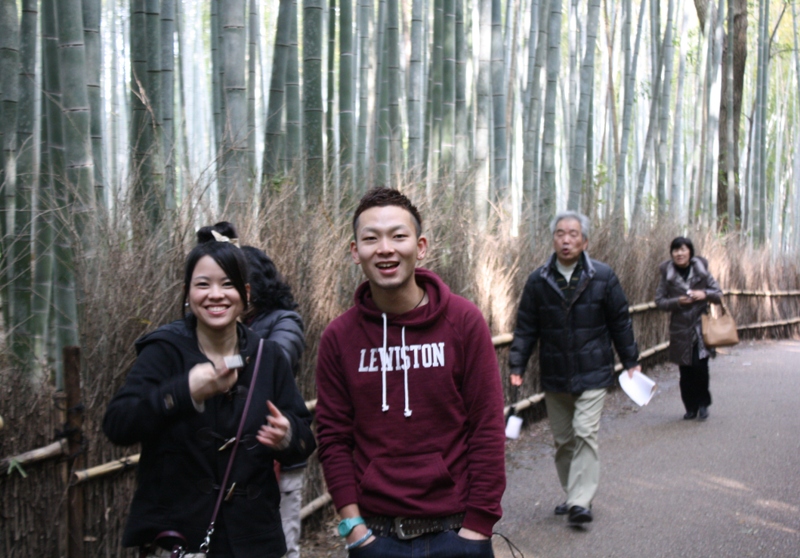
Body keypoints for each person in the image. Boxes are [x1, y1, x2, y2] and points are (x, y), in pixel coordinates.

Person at [103, 223, 315, 557]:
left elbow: (304, 440)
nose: (216, 295)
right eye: (203, 285)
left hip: (256, 539)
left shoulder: (267, 355)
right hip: (182, 538)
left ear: (246, 294)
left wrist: (288, 436)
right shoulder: (165, 350)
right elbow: (118, 424)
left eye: (228, 285)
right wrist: (185, 391)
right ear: (188, 292)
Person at [315, 188, 506, 557]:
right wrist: (353, 529)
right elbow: (334, 438)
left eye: (398, 236)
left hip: (456, 531)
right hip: (377, 535)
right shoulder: (339, 338)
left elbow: (486, 426)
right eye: (371, 239)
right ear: (356, 252)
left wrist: (479, 526)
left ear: (420, 247)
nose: (385, 248)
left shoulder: (463, 322)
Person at [508, 210, 640, 526]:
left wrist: (631, 360)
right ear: (553, 238)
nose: (566, 240)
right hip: (554, 373)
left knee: (584, 432)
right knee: (564, 440)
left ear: (585, 241)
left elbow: (620, 320)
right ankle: (573, 495)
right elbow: (526, 327)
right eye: (560, 234)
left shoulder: (603, 276)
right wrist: (517, 363)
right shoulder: (538, 280)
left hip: (594, 370)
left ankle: (581, 501)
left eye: (573, 234)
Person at [241, 245, 307, 558]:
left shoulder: (285, 321)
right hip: (229, 464)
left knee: (281, 548)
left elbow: (278, 357)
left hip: (277, 452)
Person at [655, 236, 723, 421]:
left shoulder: (701, 271)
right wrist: (677, 301)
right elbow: (659, 301)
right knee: (685, 372)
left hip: (701, 328)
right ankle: (690, 407)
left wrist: (704, 294)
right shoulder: (667, 274)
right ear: (672, 254)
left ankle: (703, 404)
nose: (679, 253)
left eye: (683, 249)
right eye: (676, 250)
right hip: (680, 328)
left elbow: (718, 294)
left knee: (700, 368)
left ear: (690, 252)